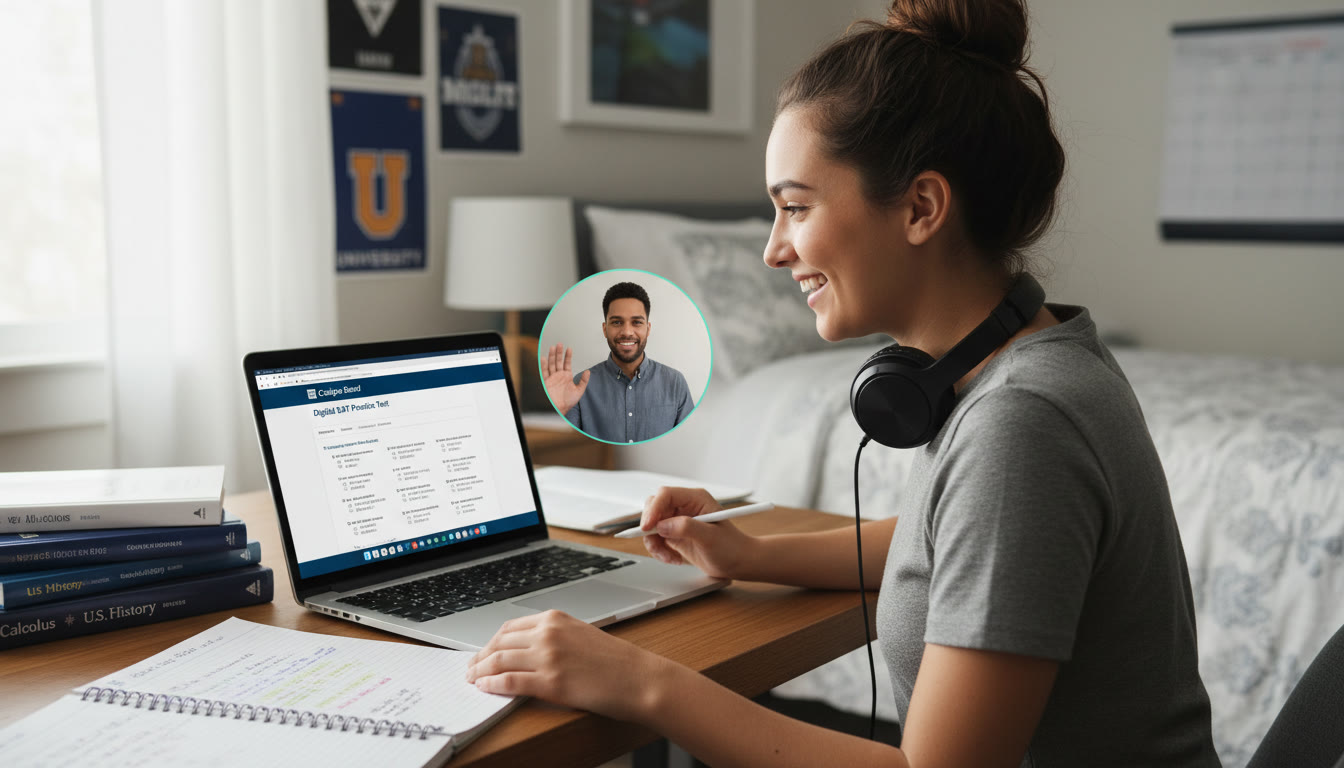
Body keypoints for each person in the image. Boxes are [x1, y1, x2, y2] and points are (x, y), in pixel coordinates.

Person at [468, 0, 1222, 765]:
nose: (774, 250)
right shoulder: (1039, 357)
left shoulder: (1021, 423)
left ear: (922, 208)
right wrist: (747, 555)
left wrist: (643, 684)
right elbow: (953, 544)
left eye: (795, 207)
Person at [543, 280, 695, 443]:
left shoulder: (675, 383)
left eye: (637, 322)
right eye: (617, 322)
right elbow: (570, 449)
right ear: (604, 329)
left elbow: (689, 442)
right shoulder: (579, 386)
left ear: (648, 329)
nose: (627, 332)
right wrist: (559, 409)